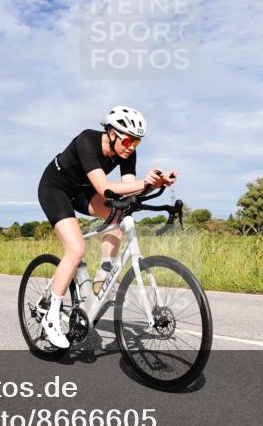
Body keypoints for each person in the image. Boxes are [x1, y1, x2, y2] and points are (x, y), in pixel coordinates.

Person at [36, 106, 176, 348]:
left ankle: (103, 275)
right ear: (111, 133)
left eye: (137, 143)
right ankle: (51, 317)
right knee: (76, 248)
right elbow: (104, 188)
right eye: (129, 140)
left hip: (82, 191)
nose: (132, 146)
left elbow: (129, 189)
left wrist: (153, 184)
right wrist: (146, 182)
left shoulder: (127, 153)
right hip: (55, 188)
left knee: (121, 214)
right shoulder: (87, 140)